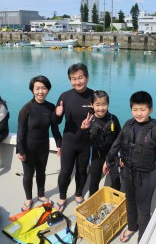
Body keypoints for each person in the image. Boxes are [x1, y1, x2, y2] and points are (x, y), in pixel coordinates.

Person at [103, 91, 156, 243]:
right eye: (135, 109)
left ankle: (143, 237)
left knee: (143, 209)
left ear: (150, 110)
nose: (138, 114)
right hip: (127, 172)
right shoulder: (128, 124)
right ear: (131, 109)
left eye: (143, 110)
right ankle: (132, 227)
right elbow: (116, 144)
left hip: (145, 176)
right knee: (129, 203)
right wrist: (108, 161)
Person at [16, 75, 62, 212]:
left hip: (43, 146)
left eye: (43, 88)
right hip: (28, 148)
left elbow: (54, 127)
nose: (40, 91)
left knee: (42, 172)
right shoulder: (26, 109)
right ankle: (29, 198)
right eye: (37, 88)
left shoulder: (50, 107)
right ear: (32, 90)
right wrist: (20, 150)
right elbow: (20, 132)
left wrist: (60, 144)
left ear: (48, 90)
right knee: (28, 174)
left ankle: (41, 194)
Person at [54, 63, 94, 212]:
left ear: (87, 77)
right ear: (70, 80)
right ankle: (62, 197)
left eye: (80, 78)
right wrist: (57, 114)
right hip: (69, 142)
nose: (77, 82)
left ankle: (78, 195)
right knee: (65, 172)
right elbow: (55, 123)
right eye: (73, 79)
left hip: (86, 143)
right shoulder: (65, 97)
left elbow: (101, 118)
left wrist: (89, 126)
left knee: (82, 171)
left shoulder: (94, 95)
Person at [80, 90, 121, 196]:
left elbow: (119, 139)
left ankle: (115, 203)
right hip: (96, 155)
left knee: (116, 181)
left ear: (108, 104)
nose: (101, 108)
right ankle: (93, 203)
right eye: (97, 104)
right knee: (94, 182)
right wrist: (84, 129)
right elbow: (83, 142)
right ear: (92, 105)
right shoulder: (88, 120)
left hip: (112, 154)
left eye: (104, 104)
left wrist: (121, 156)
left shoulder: (113, 119)